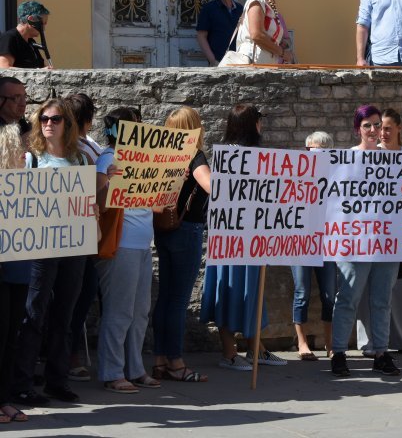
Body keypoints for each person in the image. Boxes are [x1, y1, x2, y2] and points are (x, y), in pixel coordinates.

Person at [12, 99, 90, 406]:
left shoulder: (81, 160)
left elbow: (86, 201)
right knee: (34, 313)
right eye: (43, 118)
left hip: (73, 243)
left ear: (67, 124)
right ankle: (22, 381)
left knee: (65, 314)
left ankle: (58, 380)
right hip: (41, 245)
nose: (48, 124)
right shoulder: (31, 159)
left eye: (55, 119)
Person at [200, 104, 285, 370]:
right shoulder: (233, 157)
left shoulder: (248, 155)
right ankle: (229, 353)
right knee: (232, 291)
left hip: (250, 236)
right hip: (234, 237)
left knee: (252, 292)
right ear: (252, 125)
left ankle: (256, 349)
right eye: (258, 121)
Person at [330, 105, 402, 377]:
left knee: (382, 298)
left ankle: (381, 353)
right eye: (367, 126)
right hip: (353, 241)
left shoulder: (394, 159)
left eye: (376, 125)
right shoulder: (345, 158)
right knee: (348, 296)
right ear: (357, 129)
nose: (373, 130)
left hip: (386, 240)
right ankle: (338, 353)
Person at [95, 107, 161, 394]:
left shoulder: (143, 160)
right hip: (120, 245)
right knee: (119, 311)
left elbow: (157, 204)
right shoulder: (108, 158)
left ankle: (135, 369)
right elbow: (99, 204)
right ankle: (112, 372)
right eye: (136, 126)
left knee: (139, 312)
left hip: (142, 245)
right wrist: (110, 180)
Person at [356, 108, 402, 356]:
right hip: (370, 232)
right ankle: (368, 341)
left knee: (399, 288)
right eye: (378, 127)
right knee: (367, 289)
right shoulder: (369, 156)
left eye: (386, 127)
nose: (381, 133)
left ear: (398, 128)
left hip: (399, 232)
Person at [152, 107, 211, 382]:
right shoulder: (194, 156)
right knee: (177, 300)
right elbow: (210, 185)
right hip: (187, 230)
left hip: (164, 230)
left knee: (165, 298)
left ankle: (160, 360)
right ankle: (176, 362)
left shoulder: (165, 157)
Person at [64, 93, 101, 383]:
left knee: (81, 294)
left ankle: (68, 352)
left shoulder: (91, 147)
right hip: (77, 231)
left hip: (87, 229)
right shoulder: (72, 150)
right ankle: (69, 354)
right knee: (75, 297)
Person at [291, 131, 337, 360]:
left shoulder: (337, 178)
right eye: (310, 150)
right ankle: (302, 343)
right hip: (301, 243)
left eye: (320, 150)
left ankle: (330, 343)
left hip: (327, 244)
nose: (315, 155)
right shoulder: (296, 175)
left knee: (330, 295)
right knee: (302, 293)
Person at [0, 122, 30, 422]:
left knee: (11, 335)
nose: (26, 152)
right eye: (20, 146)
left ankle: (5, 397)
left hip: (19, 266)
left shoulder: (30, 182)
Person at [236, 0, 295, 65]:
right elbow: (257, 35)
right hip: (252, 63)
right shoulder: (257, 1)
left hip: (264, 64)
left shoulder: (267, 3)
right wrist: (282, 53)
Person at [196, 0, 244, 66]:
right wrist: (213, 60)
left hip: (239, 62)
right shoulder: (208, 8)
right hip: (218, 63)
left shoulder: (240, 9)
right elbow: (201, 36)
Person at [0, 0, 51, 69]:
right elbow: (4, 67)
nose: (44, 29)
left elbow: (40, 67)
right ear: (31, 20)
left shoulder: (31, 43)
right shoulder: (9, 38)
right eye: (43, 23)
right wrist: (37, 71)